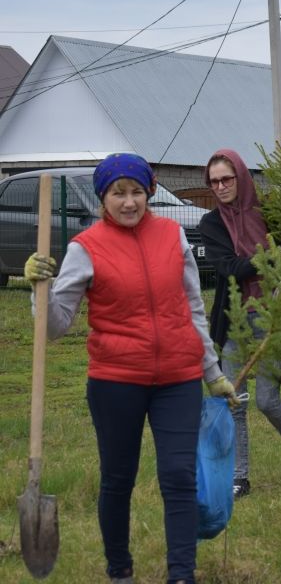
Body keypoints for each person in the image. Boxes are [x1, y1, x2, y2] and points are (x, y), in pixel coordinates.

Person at [24, 153, 237, 584]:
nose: (128, 202)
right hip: (115, 381)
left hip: (178, 377)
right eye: (118, 193)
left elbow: (193, 308)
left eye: (136, 191)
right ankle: (119, 569)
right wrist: (38, 290)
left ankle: (182, 574)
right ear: (103, 197)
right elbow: (56, 327)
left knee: (179, 476)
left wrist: (212, 372)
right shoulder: (86, 248)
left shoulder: (172, 236)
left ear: (149, 192)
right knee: (118, 479)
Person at [198, 149, 281, 499]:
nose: (220, 187)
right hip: (235, 322)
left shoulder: (270, 214)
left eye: (226, 179)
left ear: (241, 177)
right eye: (214, 182)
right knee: (236, 401)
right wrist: (277, 256)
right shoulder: (211, 225)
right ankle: (239, 477)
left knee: (266, 400)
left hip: (274, 319)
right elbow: (230, 268)